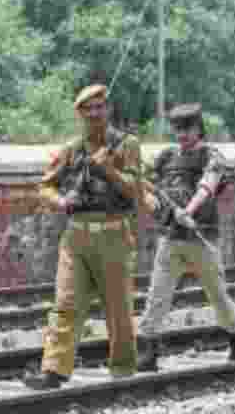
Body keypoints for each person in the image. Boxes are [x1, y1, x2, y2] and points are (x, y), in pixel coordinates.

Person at [25, 84, 146, 389]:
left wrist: (110, 170)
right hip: (76, 236)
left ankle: (123, 370)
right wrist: (61, 201)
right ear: (79, 113)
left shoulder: (127, 145)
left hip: (113, 234)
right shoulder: (71, 150)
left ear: (108, 109)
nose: (94, 114)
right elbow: (44, 186)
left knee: (117, 307)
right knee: (65, 303)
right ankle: (53, 370)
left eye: (99, 107)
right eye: (87, 109)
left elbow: (136, 192)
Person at [136, 103, 235, 372]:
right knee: (157, 294)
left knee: (216, 293)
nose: (182, 134)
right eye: (177, 129)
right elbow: (147, 187)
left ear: (199, 128)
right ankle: (149, 350)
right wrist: (157, 208)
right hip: (171, 237)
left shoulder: (212, 156)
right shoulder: (165, 157)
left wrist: (188, 211)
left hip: (201, 236)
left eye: (187, 128)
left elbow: (207, 186)